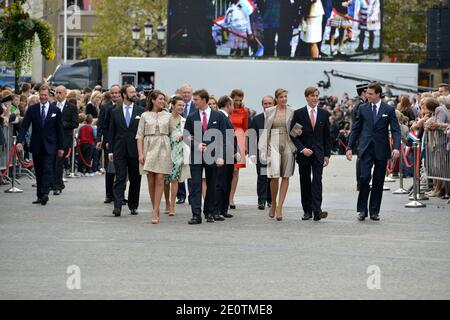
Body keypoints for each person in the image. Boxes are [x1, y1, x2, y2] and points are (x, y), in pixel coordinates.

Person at [346, 82, 401, 221]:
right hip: (365, 148)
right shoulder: (363, 108)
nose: (367, 96)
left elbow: (395, 130)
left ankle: (374, 211)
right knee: (364, 178)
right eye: (367, 93)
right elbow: (356, 129)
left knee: (378, 180)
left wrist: (396, 147)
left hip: (381, 149)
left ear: (378, 94)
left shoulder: (388, 109)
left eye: (370, 94)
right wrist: (349, 147)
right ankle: (362, 210)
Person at [184, 89, 226, 224]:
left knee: (212, 184)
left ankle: (209, 212)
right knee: (196, 185)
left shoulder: (218, 116)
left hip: (213, 156)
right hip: (196, 156)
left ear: (203, 100)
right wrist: (195, 145)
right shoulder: (191, 117)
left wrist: (221, 155)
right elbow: (185, 136)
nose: (193, 102)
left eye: (196, 99)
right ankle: (196, 214)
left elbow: (224, 137)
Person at [16, 85, 64, 205]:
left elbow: (59, 130)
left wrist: (61, 147)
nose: (43, 97)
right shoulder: (32, 109)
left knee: (48, 169)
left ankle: (45, 193)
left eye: (45, 95)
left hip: (50, 145)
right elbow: (24, 126)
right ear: (38, 95)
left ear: (49, 96)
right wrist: (19, 142)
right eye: (41, 95)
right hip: (36, 144)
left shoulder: (55, 110)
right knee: (39, 170)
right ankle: (39, 195)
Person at [290, 86, 331, 221]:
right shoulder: (299, 113)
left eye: (316, 96)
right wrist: (302, 149)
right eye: (312, 96)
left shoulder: (324, 114)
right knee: (305, 181)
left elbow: (327, 136)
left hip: (319, 153)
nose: (315, 98)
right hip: (304, 154)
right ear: (307, 97)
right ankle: (307, 210)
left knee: (317, 181)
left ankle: (317, 211)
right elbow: (294, 135)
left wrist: (327, 155)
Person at [136, 90, 173, 224]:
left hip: (164, 146)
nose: (163, 101)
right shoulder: (144, 115)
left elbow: (174, 132)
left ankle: (155, 210)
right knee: (150, 181)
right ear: (153, 100)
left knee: (160, 179)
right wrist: (140, 154)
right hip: (148, 147)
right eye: (160, 99)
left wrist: (182, 136)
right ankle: (155, 208)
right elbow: (139, 136)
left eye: (164, 99)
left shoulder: (168, 115)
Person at [259, 89, 296, 221]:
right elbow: (265, 131)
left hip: (288, 142)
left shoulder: (292, 111)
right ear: (276, 98)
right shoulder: (270, 111)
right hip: (272, 143)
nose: (284, 99)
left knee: (285, 175)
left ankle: (280, 207)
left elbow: (297, 127)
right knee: (274, 176)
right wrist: (263, 149)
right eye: (281, 97)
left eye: (286, 96)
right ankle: (273, 203)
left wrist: (296, 137)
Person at [108, 85, 145, 217]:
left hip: (135, 150)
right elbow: (111, 132)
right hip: (119, 150)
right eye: (131, 92)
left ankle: (133, 205)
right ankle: (117, 206)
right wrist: (110, 151)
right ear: (124, 95)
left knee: (136, 179)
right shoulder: (115, 112)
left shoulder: (141, 111)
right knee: (120, 178)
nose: (134, 94)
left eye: (135, 92)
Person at [163, 96, 190, 217]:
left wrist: (184, 136)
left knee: (174, 179)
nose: (181, 107)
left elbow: (189, 135)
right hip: (165, 151)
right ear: (172, 105)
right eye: (179, 105)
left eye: (183, 106)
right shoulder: (165, 118)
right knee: (164, 179)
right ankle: (167, 203)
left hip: (178, 152)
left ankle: (172, 205)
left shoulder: (184, 120)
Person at [214, 95, 240, 220]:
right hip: (223, 154)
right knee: (220, 183)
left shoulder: (225, 117)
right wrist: (235, 152)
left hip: (228, 155)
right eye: (232, 104)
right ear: (228, 105)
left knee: (227, 182)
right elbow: (224, 137)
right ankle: (217, 210)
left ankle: (223, 209)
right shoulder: (221, 117)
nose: (233, 107)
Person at [96, 84, 121, 204]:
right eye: (113, 93)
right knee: (109, 169)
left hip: (121, 142)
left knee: (121, 170)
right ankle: (109, 194)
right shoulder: (105, 107)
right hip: (108, 142)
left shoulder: (124, 107)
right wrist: (100, 141)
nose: (115, 95)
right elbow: (101, 125)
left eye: (117, 93)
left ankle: (120, 195)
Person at [249, 95, 274, 210]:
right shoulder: (257, 119)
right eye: (265, 103)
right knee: (262, 176)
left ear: (274, 104)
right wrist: (252, 153)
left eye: (270, 103)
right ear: (262, 105)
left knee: (272, 177)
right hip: (261, 153)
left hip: (275, 152)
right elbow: (251, 137)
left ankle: (271, 200)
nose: (267, 105)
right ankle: (261, 200)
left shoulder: (277, 118)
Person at [53, 85, 78, 195]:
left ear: (65, 94)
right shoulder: (52, 105)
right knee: (53, 161)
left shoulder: (71, 107)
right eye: (56, 92)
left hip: (64, 139)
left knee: (59, 162)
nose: (57, 95)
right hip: (52, 139)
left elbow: (75, 123)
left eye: (60, 93)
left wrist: (62, 124)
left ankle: (58, 186)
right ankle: (55, 183)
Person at [229, 89, 249, 210]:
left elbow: (246, 128)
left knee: (236, 171)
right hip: (228, 136)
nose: (237, 102)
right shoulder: (227, 108)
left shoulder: (245, 111)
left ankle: (231, 197)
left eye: (240, 100)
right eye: (235, 100)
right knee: (226, 170)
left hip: (240, 137)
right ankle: (223, 196)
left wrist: (246, 144)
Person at [177, 84, 196, 204]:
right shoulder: (176, 106)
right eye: (184, 92)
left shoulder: (196, 106)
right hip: (179, 142)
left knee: (191, 168)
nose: (186, 94)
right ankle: (181, 195)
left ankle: (192, 195)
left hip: (193, 141)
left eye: (188, 92)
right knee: (180, 168)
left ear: (191, 93)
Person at [351, 83, 368, 191]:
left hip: (361, 135)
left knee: (362, 159)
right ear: (363, 92)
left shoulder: (360, 104)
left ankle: (361, 182)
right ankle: (360, 183)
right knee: (361, 159)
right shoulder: (360, 105)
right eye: (367, 92)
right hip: (361, 136)